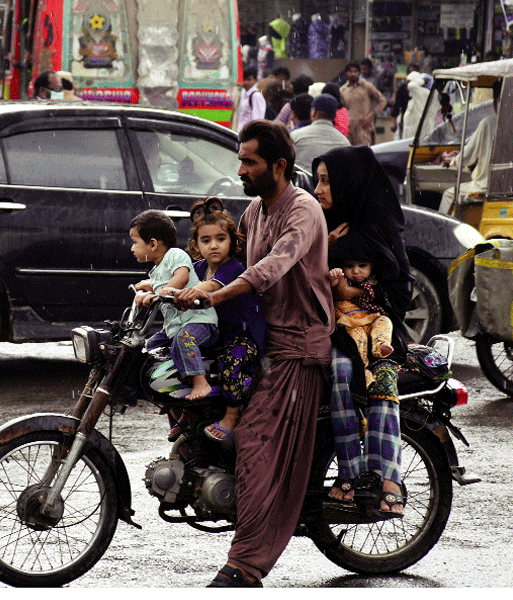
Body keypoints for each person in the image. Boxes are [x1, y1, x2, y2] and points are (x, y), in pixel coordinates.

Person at [176, 120, 333, 587]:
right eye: (240, 160)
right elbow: (226, 262)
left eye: (250, 161)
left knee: (254, 442)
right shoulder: (252, 212)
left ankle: (246, 565)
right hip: (256, 340)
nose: (240, 169)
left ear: (279, 166)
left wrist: (218, 296)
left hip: (296, 348)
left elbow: (270, 268)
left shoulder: (301, 210)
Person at [313, 145, 412, 517]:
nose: (319, 190)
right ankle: (350, 474)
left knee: (382, 378)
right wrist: (329, 248)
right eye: (317, 180)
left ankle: (389, 478)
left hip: (378, 330)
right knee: (339, 372)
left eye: (326, 181)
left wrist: (356, 292)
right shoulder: (322, 225)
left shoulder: (380, 227)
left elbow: (401, 291)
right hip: (335, 331)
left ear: (348, 184)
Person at [182, 198, 266, 441]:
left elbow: (210, 286)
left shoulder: (233, 268)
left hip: (245, 334)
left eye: (221, 239)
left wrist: (195, 290)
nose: (214, 246)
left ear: (232, 241)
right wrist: (157, 289)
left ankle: (231, 415)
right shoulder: (197, 268)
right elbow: (178, 280)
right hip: (216, 333)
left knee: (231, 361)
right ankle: (184, 414)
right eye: (206, 241)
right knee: (179, 353)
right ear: (196, 246)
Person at [129, 210, 219, 401]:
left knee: (183, 339)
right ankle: (160, 387)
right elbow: (161, 287)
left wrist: (168, 289)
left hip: (200, 321)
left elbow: (181, 275)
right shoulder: (157, 269)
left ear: (153, 244)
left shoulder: (175, 255)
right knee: (149, 346)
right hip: (175, 326)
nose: (132, 248)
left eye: (135, 242)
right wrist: (148, 291)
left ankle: (199, 382)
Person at [329, 230, 398, 391]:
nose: (356, 271)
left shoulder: (372, 282)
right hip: (351, 322)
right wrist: (333, 277)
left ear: (371, 266)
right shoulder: (341, 279)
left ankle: (381, 345)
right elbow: (334, 290)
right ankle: (364, 373)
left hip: (370, 318)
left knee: (384, 321)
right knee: (358, 340)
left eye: (362, 266)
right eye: (349, 266)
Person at [438, 79, 501, 215]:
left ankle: (443, 233)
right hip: (506, 187)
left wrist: (454, 161)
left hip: (486, 186)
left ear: (496, 98)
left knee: (449, 195)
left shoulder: (489, 123)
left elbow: (467, 156)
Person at [290, 93, 350, 171]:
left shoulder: (295, 136)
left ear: (313, 112)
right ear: (335, 116)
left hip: (301, 182)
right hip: (331, 182)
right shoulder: (344, 142)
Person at [340, 61, 387, 146]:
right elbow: (340, 110)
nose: (353, 74)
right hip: (348, 128)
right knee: (348, 154)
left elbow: (382, 101)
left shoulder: (367, 86)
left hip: (364, 127)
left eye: (355, 71)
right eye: (350, 72)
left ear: (359, 72)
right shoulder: (342, 90)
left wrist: (371, 115)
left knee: (364, 154)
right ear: (346, 73)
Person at [391, 63, 420, 139]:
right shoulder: (402, 89)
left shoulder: (422, 89)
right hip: (405, 120)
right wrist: (394, 123)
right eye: (410, 74)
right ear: (407, 75)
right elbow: (396, 106)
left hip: (418, 120)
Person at [236, 65, 266, 132]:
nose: (246, 82)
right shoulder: (244, 94)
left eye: (249, 80)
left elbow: (258, 120)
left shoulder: (256, 96)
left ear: (255, 80)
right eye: (244, 79)